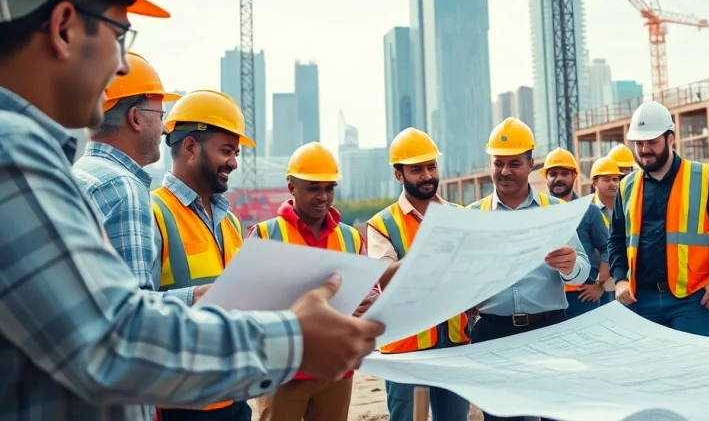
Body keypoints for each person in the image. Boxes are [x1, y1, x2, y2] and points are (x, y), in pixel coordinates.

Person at [0, 0, 383, 420]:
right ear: (64, 27)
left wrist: (200, 301)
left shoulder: (40, 162)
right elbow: (113, 340)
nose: (120, 63)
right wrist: (292, 340)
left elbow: (97, 319)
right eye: (119, 34)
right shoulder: (14, 157)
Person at [152, 89, 269, 420]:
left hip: (234, 397)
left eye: (236, 153)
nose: (234, 162)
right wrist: (194, 297)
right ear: (190, 147)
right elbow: (130, 306)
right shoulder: (153, 213)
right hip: (181, 404)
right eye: (226, 151)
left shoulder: (229, 221)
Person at [466, 118, 590, 421]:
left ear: (531, 164)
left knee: (554, 414)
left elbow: (584, 270)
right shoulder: (472, 216)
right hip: (493, 334)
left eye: (514, 163)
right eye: (498, 163)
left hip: (549, 331)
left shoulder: (555, 210)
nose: (505, 171)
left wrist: (571, 265)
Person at [248, 142, 379, 421]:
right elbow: (245, 303)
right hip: (283, 371)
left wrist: (366, 304)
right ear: (291, 187)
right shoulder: (264, 236)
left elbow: (371, 294)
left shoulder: (351, 238)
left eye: (329, 188)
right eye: (313, 188)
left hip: (336, 369)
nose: (323, 196)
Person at [607, 101, 709, 336]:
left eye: (652, 142)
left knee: (691, 361)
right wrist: (620, 279)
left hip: (691, 300)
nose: (644, 149)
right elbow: (616, 239)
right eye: (639, 143)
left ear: (670, 139)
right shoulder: (626, 186)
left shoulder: (702, 177)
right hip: (640, 300)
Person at [365, 127, 471, 421]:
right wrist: (428, 247)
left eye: (431, 166)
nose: (427, 175)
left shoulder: (460, 215)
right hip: (406, 351)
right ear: (398, 175)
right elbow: (384, 278)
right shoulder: (382, 224)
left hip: (454, 343)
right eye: (416, 170)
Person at [73, 53, 191, 298]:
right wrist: (195, 298)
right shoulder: (124, 188)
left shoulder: (80, 172)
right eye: (160, 116)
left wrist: (193, 295)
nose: (165, 129)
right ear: (135, 118)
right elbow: (134, 309)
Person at [541, 147, 609, 318]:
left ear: (574, 176)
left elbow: (608, 249)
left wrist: (600, 285)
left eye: (564, 173)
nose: (558, 178)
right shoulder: (538, 211)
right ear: (546, 178)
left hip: (582, 299)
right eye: (553, 174)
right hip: (547, 301)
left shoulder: (590, 211)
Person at [589, 155, 620, 304]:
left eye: (615, 179)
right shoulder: (587, 211)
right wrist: (599, 283)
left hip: (624, 281)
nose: (613, 184)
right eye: (606, 180)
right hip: (600, 286)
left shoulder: (627, 206)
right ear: (594, 183)